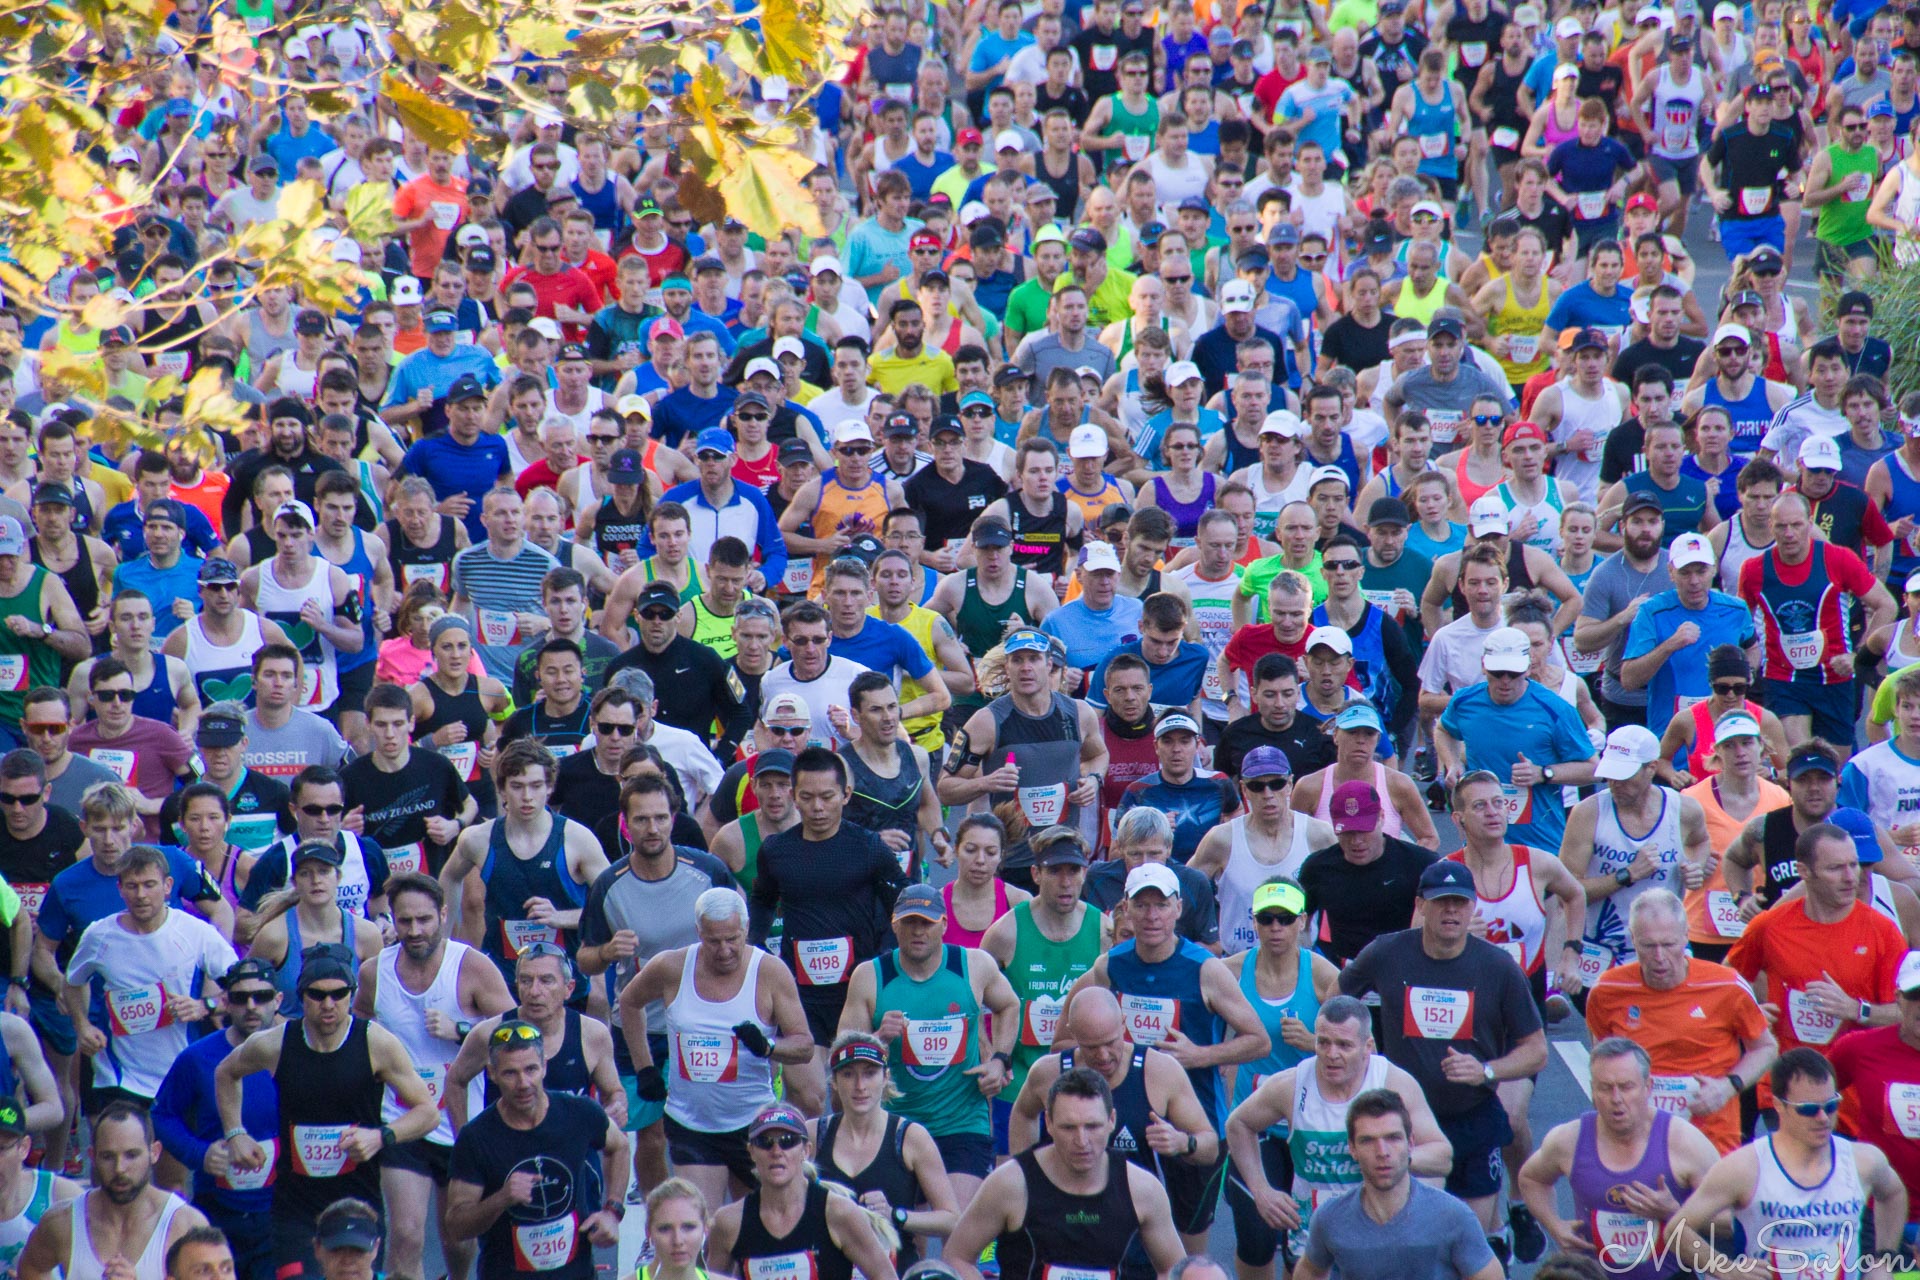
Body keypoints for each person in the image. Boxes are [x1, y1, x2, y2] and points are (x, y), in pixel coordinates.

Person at [1338, 858, 1548, 1259]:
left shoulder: (1498, 966)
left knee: (1467, 1240)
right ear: (1421, 905)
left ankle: (1495, 1238)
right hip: (1407, 1122)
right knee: (1417, 1241)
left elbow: (1536, 1050)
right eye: (1440, 902)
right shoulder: (1387, 952)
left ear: (1472, 908)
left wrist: (1486, 1070)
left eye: (1459, 903)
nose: (1450, 911)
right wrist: (1361, 1054)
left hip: (1472, 1118)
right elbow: (1338, 999)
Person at [215, 945, 440, 1280]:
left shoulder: (374, 1042)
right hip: (296, 1208)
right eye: (317, 995)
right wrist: (235, 1132)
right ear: (301, 996)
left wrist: (381, 1136)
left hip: (357, 1203)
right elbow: (225, 1073)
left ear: (351, 995)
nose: (328, 1004)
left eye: (339, 994)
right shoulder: (276, 1043)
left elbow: (428, 1113)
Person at [1223, 993, 1453, 1279]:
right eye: (1323, 1042)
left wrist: (1391, 1158)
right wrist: (1261, 1190)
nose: (1332, 1054)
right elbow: (1238, 1124)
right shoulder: (1292, 1084)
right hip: (1315, 1236)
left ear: (1368, 1046)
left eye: (1344, 1045)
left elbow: (1442, 1157)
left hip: (1379, 1230)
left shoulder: (1394, 1083)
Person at [352, 873, 513, 1280]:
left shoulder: (471, 966)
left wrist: (461, 1029)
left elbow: (516, 1030)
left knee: (458, 1240)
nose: (415, 931)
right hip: (403, 1120)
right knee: (405, 1236)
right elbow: (357, 1031)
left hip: (461, 1123)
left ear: (443, 914)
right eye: (404, 921)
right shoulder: (375, 972)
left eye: (424, 920)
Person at [617, 885, 812, 1212]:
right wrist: (645, 1068)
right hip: (691, 1123)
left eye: (732, 939)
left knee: (754, 1228)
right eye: (713, 941)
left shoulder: (769, 972)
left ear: (746, 929)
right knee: (700, 1226)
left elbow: (804, 1045)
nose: (724, 951)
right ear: (698, 933)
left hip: (753, 1124)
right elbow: (629, 1002)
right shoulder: (672, 967)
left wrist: (768, 1047)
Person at [748, 747, 911, 1114]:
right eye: (806, 797)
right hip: (800, 995)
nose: (817, 807)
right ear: (793, 795)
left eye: (827, 797)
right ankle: (805, 1170)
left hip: (855, 992)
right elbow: (761, 900)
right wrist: (755, 948)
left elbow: (904, 905)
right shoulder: (776, 851)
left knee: (848, 1100)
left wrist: (884, 961)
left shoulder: (868, 847)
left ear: (846, 796)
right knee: (810, 1098)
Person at [838, 882, 1019, 1214]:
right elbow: (843, 1057)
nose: (917, 931)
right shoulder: (870, 976)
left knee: (957, 1226)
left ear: (944, 926)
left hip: (961, 1122)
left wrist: (999, 1060)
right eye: (909, 922)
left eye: (927, 923)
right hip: (896, 1125)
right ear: (894, 925)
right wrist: (879, 1039)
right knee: (911, 1237)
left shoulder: (973, 965)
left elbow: (1009, 1005)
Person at [1008, 987, 1218, 1262]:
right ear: (1073, 1035)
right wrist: (1026, 1174)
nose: (1104, 1056)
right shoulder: (1048, 1073)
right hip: (1062, 1219)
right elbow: (1023, 1114)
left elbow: (1210, 1146)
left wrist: (1183, 1142)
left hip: (1132, 1223)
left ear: (1124, 1024)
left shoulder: (1159, 1071)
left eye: (1111, 1042)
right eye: (1092, 1047)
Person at [1668, 1049, 1909, 1280]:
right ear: (1779, 1106)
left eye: (1831, 1106)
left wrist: (1883, 1260)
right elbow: (1676, 1231)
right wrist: (1727, 1270)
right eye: (1809, 1110)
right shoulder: (1746, 1167)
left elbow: (1893, 1193)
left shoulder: (1863, 1160)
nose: (1823, 1118)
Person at [1726, 823, 1909, 1105]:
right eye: (1836, 868)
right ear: (1804, 872)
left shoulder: (1882, 932)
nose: (1851, 878)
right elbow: (1725, 982)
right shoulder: (1771, 926)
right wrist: (1750, 1013)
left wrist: (1855, 1009)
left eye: (1854, 865)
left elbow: (1904, 1014)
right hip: (1784, 1089)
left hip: (1852, 1096)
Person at [1584, 889, 1778, 1155]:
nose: (1660, 957)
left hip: (1711, 1140)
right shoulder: (1608, 990)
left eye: (1669, 944)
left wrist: (1727, 1087)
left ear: (1686, 936)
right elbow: (1602, 1063)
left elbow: (1765, 1048)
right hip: (1637, 1142)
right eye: (1648, 946)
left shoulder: (1726, 986)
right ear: (1633, 940)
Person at [944, 1068, 1185, 1280]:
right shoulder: (1011, 1184)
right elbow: (957, 1257)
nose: (1082, 1141)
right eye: (1069, 1127)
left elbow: (1175, 1270)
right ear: (1048, 1122)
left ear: (1111, 1120)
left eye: (1092, 1126)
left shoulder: (1142, 1189)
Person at [62, 843, 239, 1127]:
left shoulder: (195, 932)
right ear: (119, 889)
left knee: (172, 1170)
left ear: (168, 886)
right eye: (132, 886)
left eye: (149, 885)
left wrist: (205, 1005)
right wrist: (82, 1025)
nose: (141, 895)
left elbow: (242, 988)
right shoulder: (99, 935)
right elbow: (72, 982)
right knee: (119, 1166)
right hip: (119, 1075)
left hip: (178, 1071)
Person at [1514, 1036, 1721, 1278]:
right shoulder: (1569, 1140)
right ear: (1592, 1090)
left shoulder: (1685, 1142)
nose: (1616, 1099)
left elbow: (1730, 1219)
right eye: (1605, 1088)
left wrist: (1675, 1212)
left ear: (1648, 1086)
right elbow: (1531, 1178)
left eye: (1626, 1086)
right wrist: (1555, 1225)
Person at [443, 1018, 630, 1280]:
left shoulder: (579, 1113)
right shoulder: (476, 1138)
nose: (523, 1083)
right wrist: (502, 1198)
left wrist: (613, 1211)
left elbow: (620, 1147)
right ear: (492, 1073)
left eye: (531, 1069)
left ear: (544, 1067)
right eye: (510, 1073)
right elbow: (456, 1225)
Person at [937, 628, 1106, 890]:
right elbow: (946, 789)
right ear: (1007, 667)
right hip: (1013, 865)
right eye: (1017, 660)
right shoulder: (987, 721)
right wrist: (986, 783)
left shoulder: (1078, 713)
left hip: (1065, 858)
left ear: (1049, 664)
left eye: (1034, 659)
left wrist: (1094, 780)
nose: (1026, 668)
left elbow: (1098, 755)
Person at [437, 740, 609, 988]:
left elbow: (614, 904)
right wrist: (444, 943)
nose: (527, 797)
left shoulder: (577, 839)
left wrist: (563, 917)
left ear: (550, 788)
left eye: (536, 786)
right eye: (517, 787)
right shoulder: (477, 840)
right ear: (502, 789)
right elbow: (450, 878)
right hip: (503, 979)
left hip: (565, 979)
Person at [150, 959, 282, 1280]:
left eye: (262, 997)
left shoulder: (295, 1050)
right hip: (218, 1209)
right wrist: (200, 1154)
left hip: (281, 1211)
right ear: (224, 1002)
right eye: (239, 998)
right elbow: (163, 1113)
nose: (251, 1006)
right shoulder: (197, 1057)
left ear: (278, 1000)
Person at [1290, 1090, 1505, 1280]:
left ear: (1410, 1144)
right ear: (1352, 1148)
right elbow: (1310, 1272)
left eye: (1393, 1138)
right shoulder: (1331, 1218)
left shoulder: (1453, 1216)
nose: (1382, 1152)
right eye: (1367, 1141)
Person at [1558, 725, 1713, 968]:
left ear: (1651, 768)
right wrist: (1626, 875)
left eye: (1624, 776)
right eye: (1610, 775)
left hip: (1665, 947)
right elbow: (1566, 892)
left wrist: (1695, 867)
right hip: (1601, 950)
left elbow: (1700, 841)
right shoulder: (1588, 813)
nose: (1615, 784)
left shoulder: (1684, 809)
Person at [810, 1032, 962, 1273]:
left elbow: (952, 1219)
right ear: (835, 1083)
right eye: (849, 1075)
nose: (860, 1086)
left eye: (870, 1073)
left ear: (885, 1078)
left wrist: (895, 1215)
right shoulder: (814, 1135)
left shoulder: (911, 1137)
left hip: (895, 1270)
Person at [704, 1103, 901, 1280]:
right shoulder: (729, 1222)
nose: (776, 1151)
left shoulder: (838, 1213)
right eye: (765, 1142)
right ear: (751, 1152)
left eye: (788, 1140)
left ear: (806, 1151)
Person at [14, 1104, 206, 1280]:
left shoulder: (186, 1226)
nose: (120, 1168)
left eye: (131, 1155)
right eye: (108, 1156)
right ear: (92, 1156)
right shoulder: (63, 1222)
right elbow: (32, 1268)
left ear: (154, 1152)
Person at [1187, 749, 1335, 955]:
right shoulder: (1221, 839)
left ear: (1290, 784)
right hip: (1238, 964)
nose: (1268, 795)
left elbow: (1346, 895)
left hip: (1301, 961)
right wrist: (1206, 940)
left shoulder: (1318, 835)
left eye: (1276, 784)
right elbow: (1185, 895)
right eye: (1257, 786)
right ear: (1244, 790)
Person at [1297, 781, 1441, 967]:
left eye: (1364, 829)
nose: (1356, 841)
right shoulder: (1318, 867)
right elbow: (1298, 925)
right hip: (1342, 971)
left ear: (1381, 817)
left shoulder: (1420, 863)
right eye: (1348, 831)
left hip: (1402, 967)